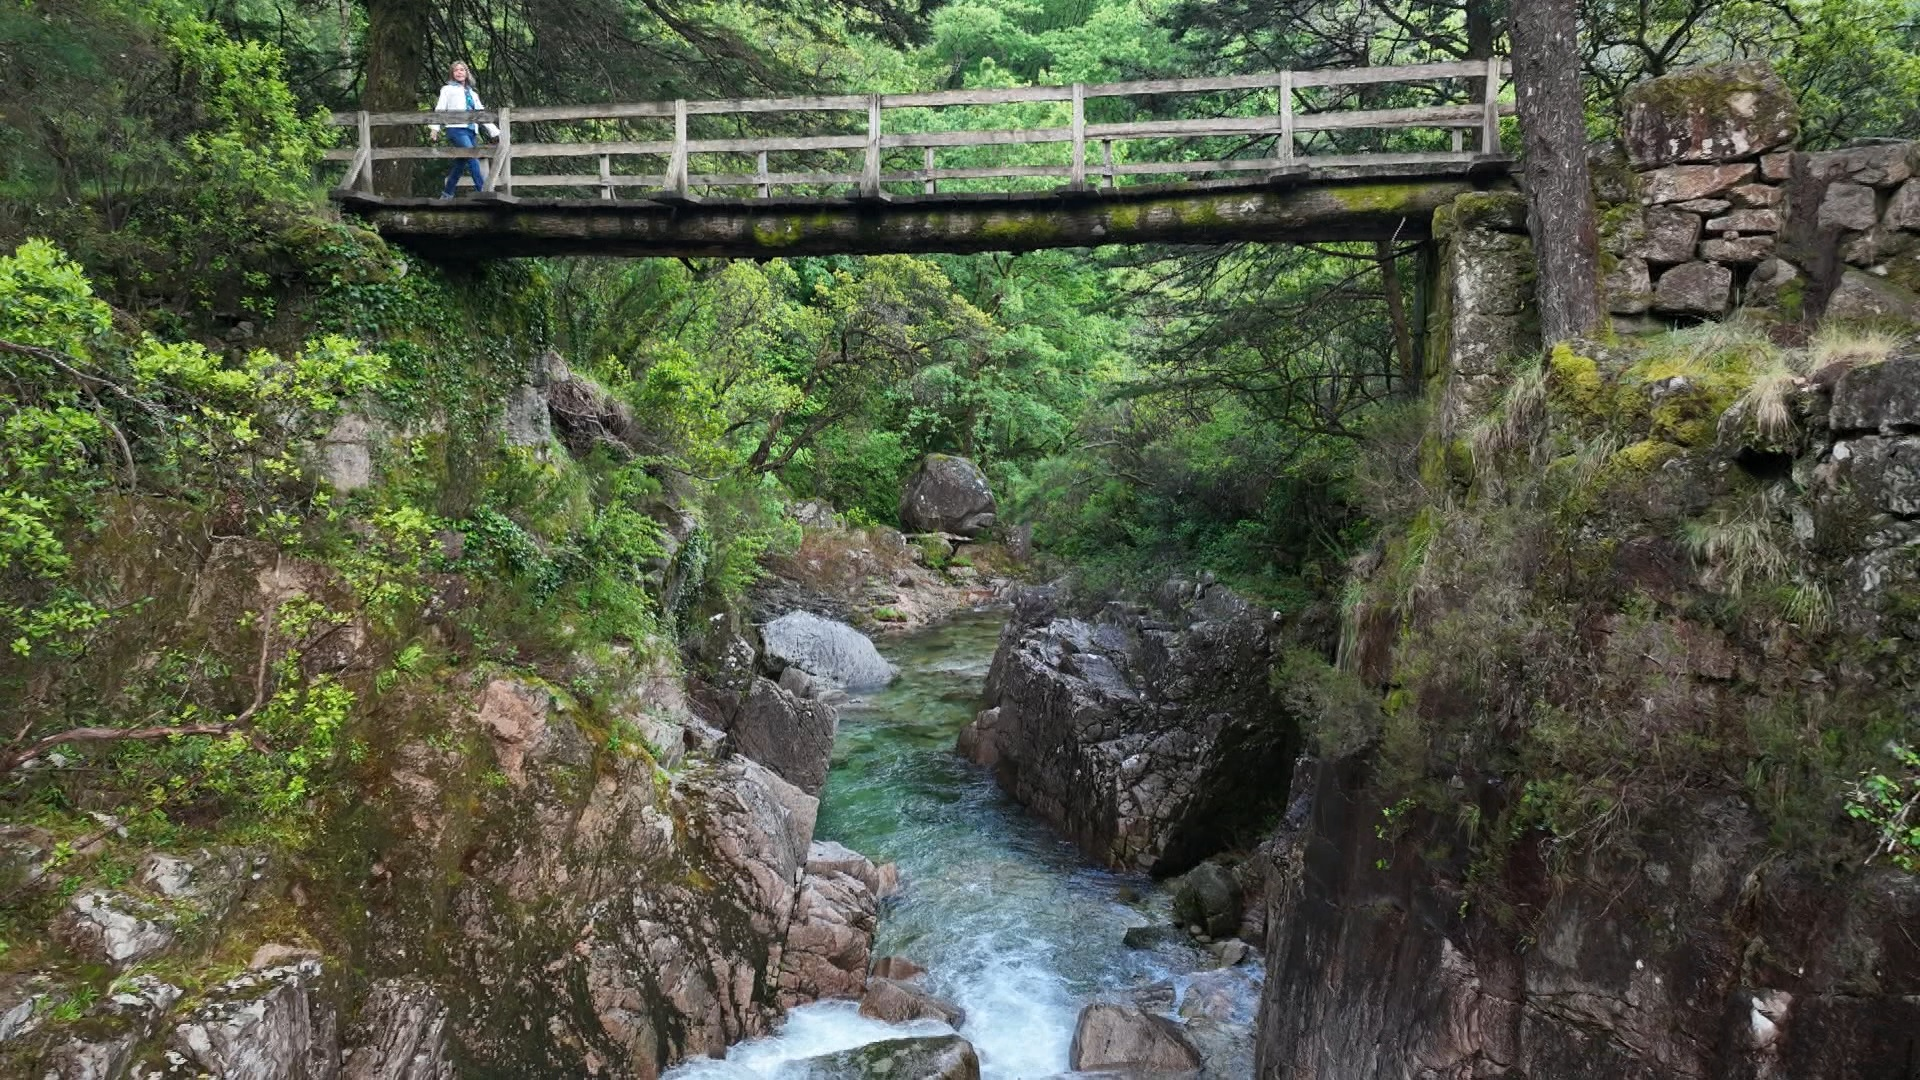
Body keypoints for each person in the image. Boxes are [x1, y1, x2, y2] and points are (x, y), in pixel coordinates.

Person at [428, 62, 500, 198]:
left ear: (467, 73)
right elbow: (440, 109)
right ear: (452, 74)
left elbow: (480, 114)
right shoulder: (447, 90)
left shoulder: (473, 93)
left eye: (462, 70)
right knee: (473, 157)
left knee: (460, 163)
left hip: (471, 131)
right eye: (456, 70)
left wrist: (495, 131)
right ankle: (483, 192)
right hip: (456, 130)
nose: (459, 72)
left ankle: (447, 193)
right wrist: (435, 129)